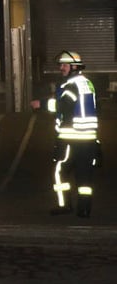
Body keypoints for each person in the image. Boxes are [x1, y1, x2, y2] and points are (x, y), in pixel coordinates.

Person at [30, 50, 100, 217]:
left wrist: (42, 103)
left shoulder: (71, 85)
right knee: (84, 177)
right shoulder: (87, 83)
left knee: (60, 171)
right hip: (89, 138)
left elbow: (64, 106)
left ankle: (64, 205)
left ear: (74, 67)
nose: (61, 68)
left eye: (64, 65)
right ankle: (84, 209)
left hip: (71, 137)